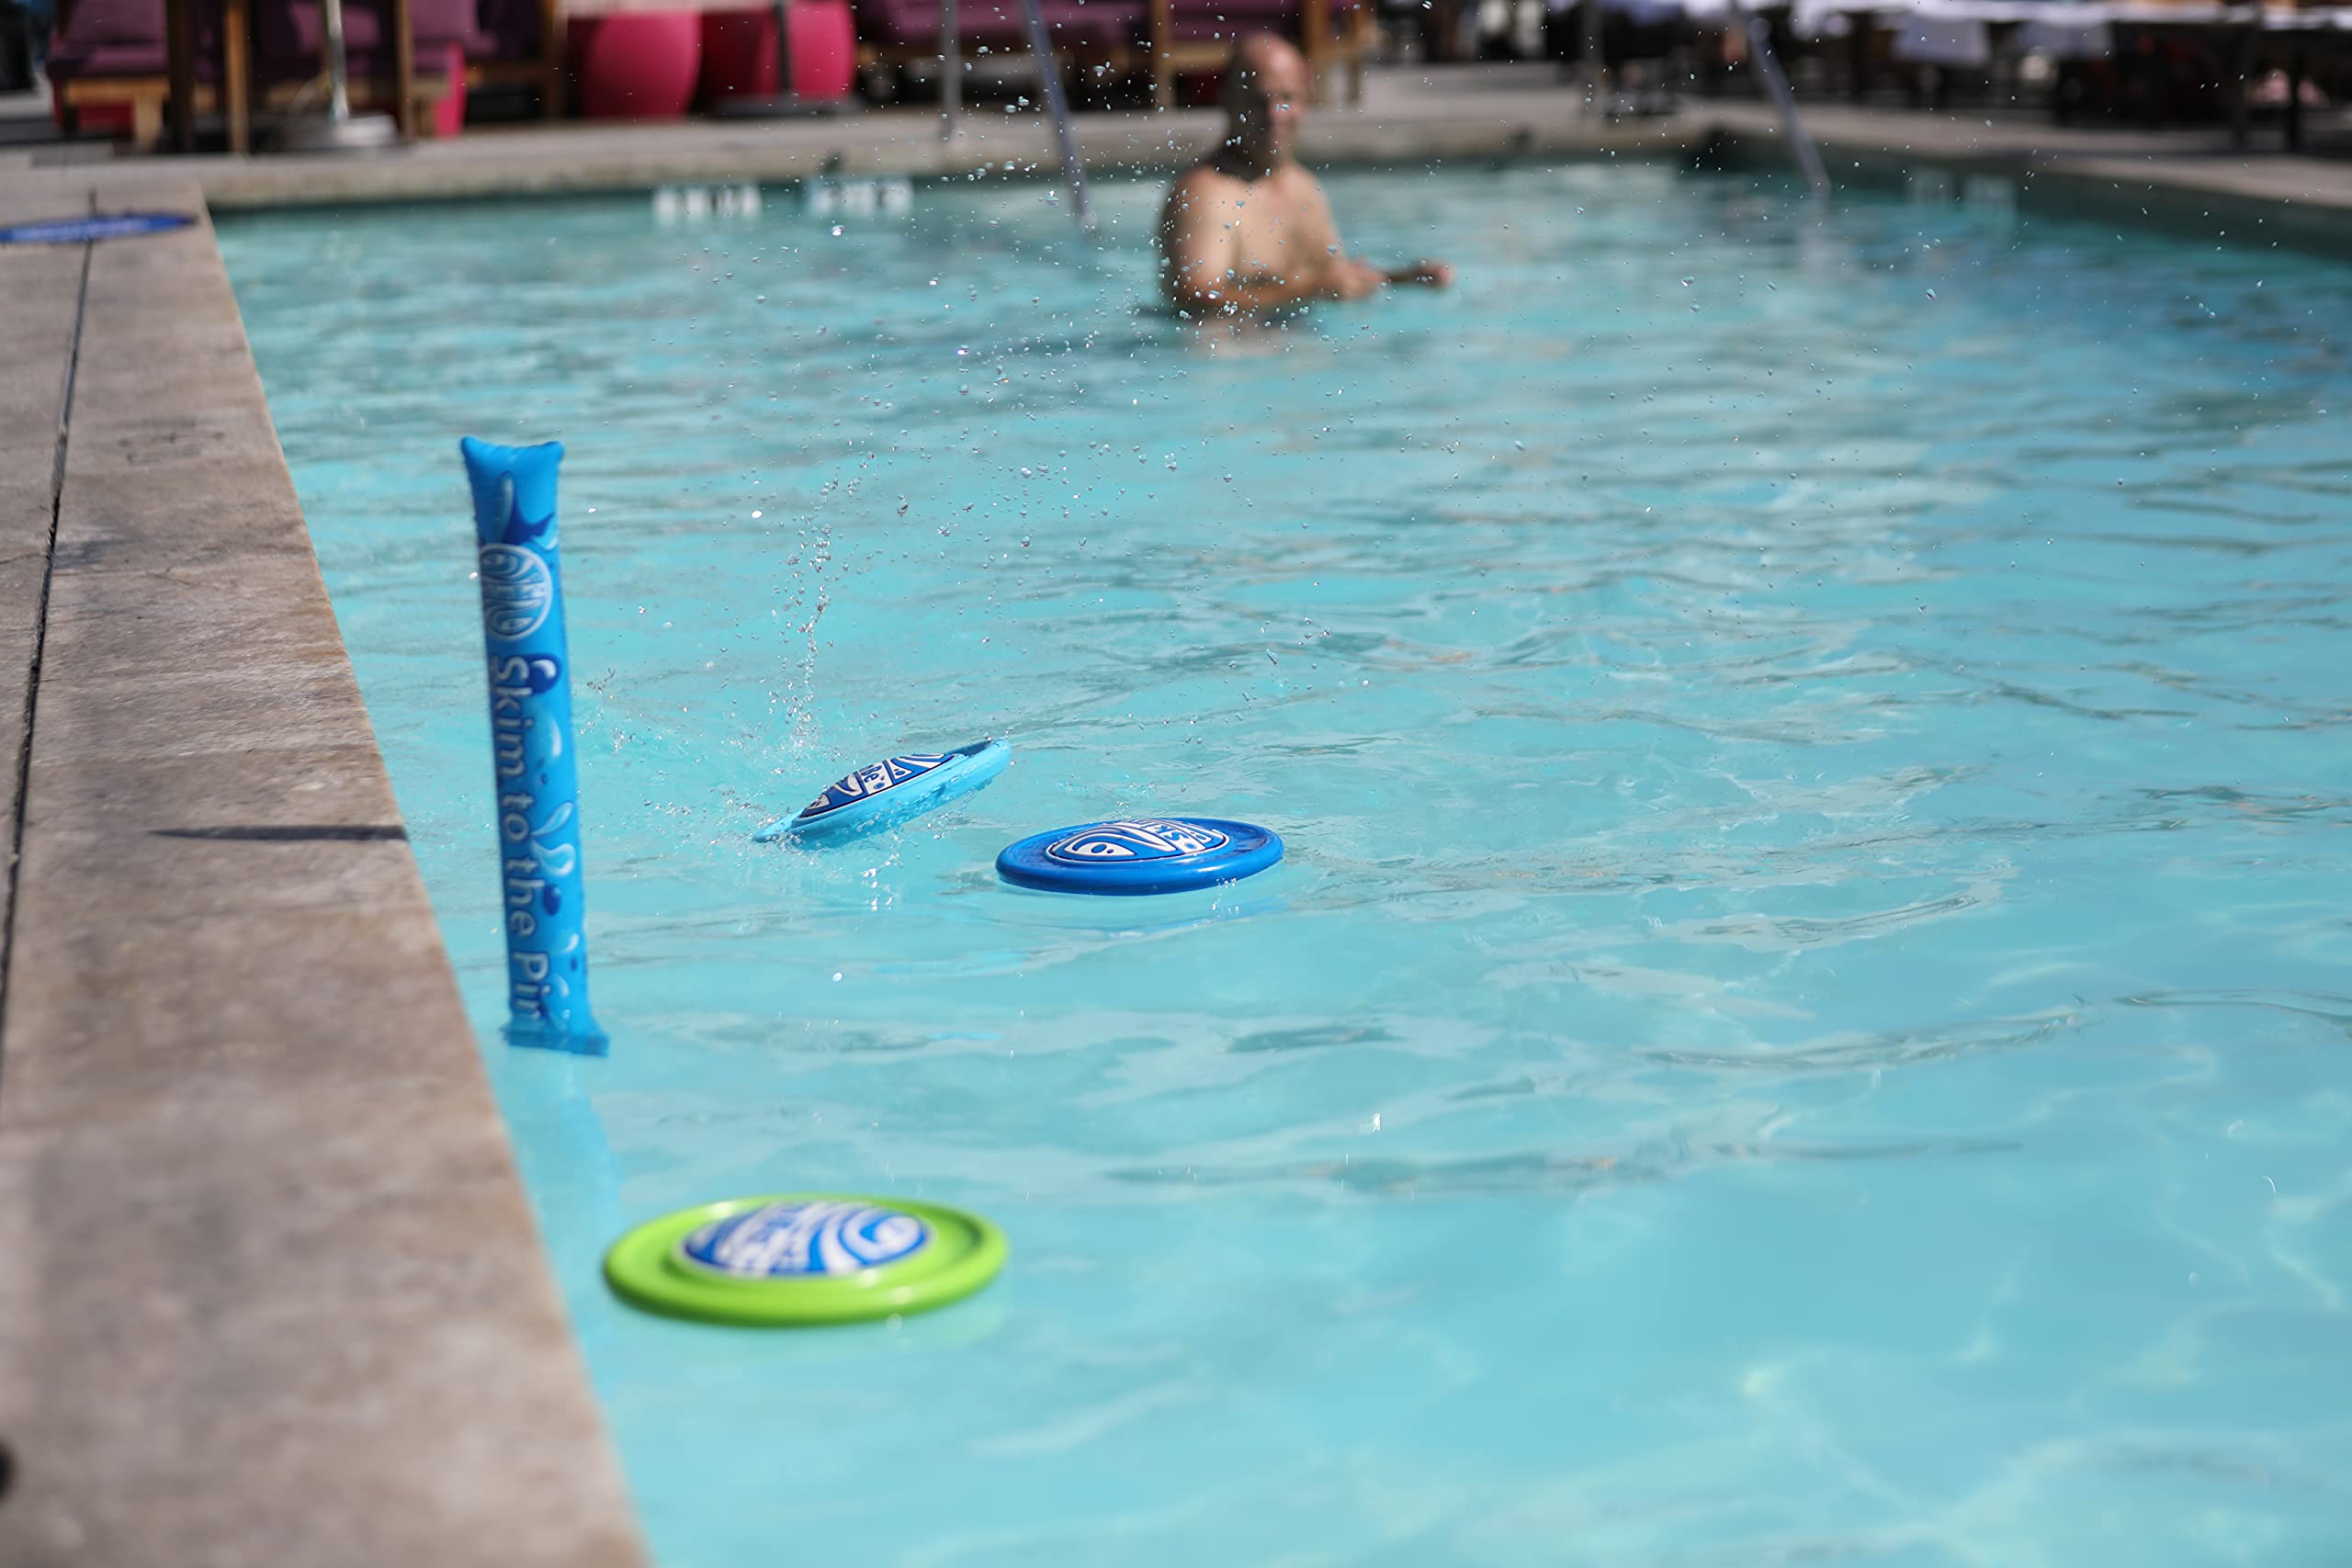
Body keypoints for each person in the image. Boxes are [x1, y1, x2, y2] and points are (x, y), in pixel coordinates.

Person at [1158, 34, 1453, 319]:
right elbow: (1194, 301)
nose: (1275, 114)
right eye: (1259, 101)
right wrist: (1312, 289)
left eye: (1287, 98)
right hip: (1235, 348)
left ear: (1306, 100)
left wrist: (1404, 279)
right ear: (1227, 99)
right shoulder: (1204, 193)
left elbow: (1332, 277)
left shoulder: (1304, 187)